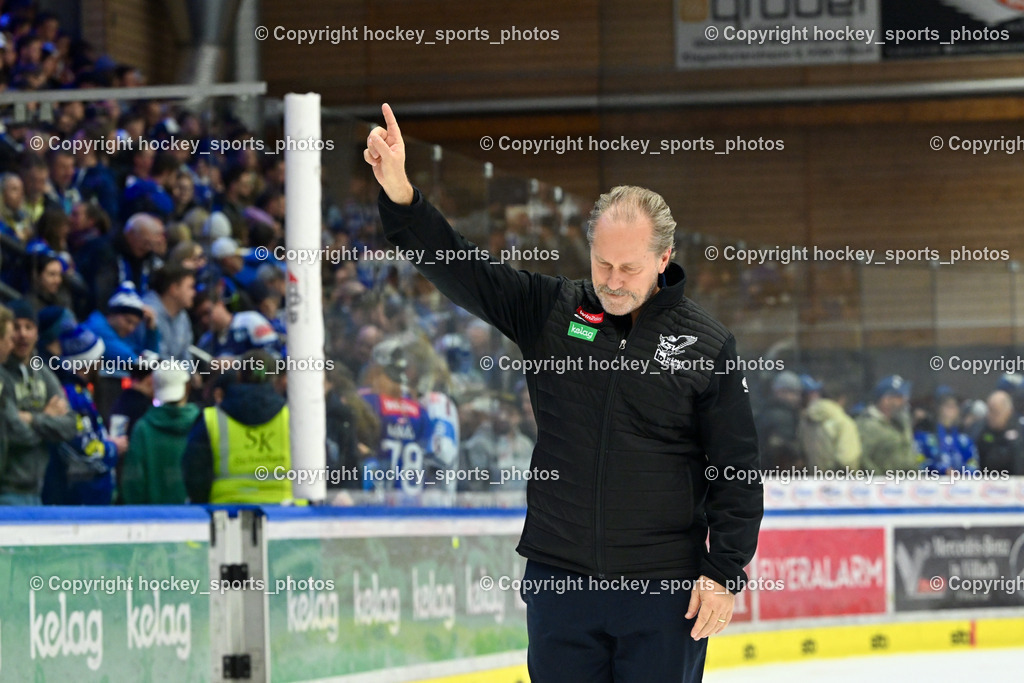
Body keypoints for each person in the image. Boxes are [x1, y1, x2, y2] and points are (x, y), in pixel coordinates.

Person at [365, 103, 762, 681]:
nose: (614, 281)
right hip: (561, 580)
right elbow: (463, 270)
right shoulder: (554, 310)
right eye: (603, 264)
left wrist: (724, 572)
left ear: (664, 260)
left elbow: (737, 469)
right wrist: (402, 194)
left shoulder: (706, 344)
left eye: (629, 268)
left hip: (662, 588)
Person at [182, 349, 293, 503]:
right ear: (274, 379)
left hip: (227, 512)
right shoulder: (292, 418)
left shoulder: (211, 419)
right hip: (287, 513)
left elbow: (194, 474)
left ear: (239, 375)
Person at [0, 300, 77, 505]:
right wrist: (48, 418)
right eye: (16, 327)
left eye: (29, 327)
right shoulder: (2, 376)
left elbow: (70, 425)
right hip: (6, 490)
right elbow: (13, 432)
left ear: (37, 333)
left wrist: (32, 419)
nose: (22, 334)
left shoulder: (42, 373)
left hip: (37, 491)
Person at [41, 324, 125, 505]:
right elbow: (85, 452)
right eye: (98, 358)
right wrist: (113, 448)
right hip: (81, 500)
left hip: (87, 497)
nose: (101, 363)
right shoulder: (73, 397)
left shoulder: (79, 393)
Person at [120, 367, 198, 504]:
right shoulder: (201, 423)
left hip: (152, 517)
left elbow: (134, 482)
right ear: (187, 388)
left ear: (154, 389)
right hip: (196, 515)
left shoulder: (143, 429)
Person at [856, 375, 921, 475]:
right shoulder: (868, 425)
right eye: (899, 397)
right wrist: (879, 478)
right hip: (882, 486)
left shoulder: (899, 423)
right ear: (886, 400)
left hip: (906, 482)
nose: (904, 401)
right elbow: (861, 458)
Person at [799, 374, 861, 472]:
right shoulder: (843, 423)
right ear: (842, 399)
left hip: (812, 482)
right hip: (838, 483)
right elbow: (847, 461)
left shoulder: (807, 419)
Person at [914, 389, 978, 474]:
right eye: (947, 406)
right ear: (939, 409)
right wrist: (941, 470)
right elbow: (919, 462)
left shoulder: (964, 440)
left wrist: (963, 474)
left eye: (954, 406)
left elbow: (973, 462)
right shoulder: (924, 438)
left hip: (962, 484)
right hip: (933, 484)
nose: (951, 411)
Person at [143, 265, 196, 360]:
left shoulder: (183, 316)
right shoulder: (148, 312)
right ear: (174, 289)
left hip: (176, 372)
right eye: (190, 287)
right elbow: (157, 357)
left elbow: (186, 355)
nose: (194, 293)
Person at [755, 370, 804, 470]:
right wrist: (798, 457)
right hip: (776, 473)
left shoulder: (767, 411)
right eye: (793, 392)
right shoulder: (782, 417)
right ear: (779, 392)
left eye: (798, 393)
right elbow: (781, 444)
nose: (797, 398)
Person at [976, 390, 1024, 475]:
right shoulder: (981, 430)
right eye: (989, 411)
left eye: (995, 412)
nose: (990, 416)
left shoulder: (1020, 431)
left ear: (1008, 411)